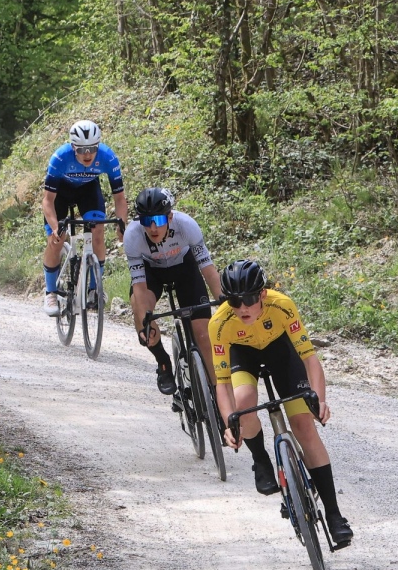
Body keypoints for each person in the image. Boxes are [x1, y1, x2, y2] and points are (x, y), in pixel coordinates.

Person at [210, 259, 352, 548]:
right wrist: (229, 423)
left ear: (262, 294)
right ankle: (261, 460)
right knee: (243, 405)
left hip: (281, 351)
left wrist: (319, 399)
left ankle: (334, 515)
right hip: (243, 355)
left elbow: (310, 359)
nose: (242, 308)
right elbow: (222, 384)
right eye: (234, 301)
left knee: (304, 427)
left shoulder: (282, 305)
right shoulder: (220, 323)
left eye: (249, 299)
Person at [125, 187, 222, 395]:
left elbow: (208, 269)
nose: (152, 228)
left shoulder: (186, 225)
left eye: (158, 220)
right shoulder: (132, 236)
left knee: (203, 334)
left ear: (169, 217)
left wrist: (224, 304)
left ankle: (217, 392)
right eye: (146, 221)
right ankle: (163, 362)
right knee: (139, 308)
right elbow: (140, 286)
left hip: (184, 268)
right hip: (152, 273)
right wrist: (145, 321)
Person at [41, 119, 128, 316]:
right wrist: (55, 228)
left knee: (98, 232)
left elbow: (120, 198)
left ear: (98, 145)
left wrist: (121, 224)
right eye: (81, 150)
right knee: (56, 240)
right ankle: (50, 292)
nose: (87, 154)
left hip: (88, 190)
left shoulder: (108, 157)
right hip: (60, 193)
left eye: (92, 149)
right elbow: (47, 200)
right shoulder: (60, 158)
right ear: (73, 147)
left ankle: (94, 290)